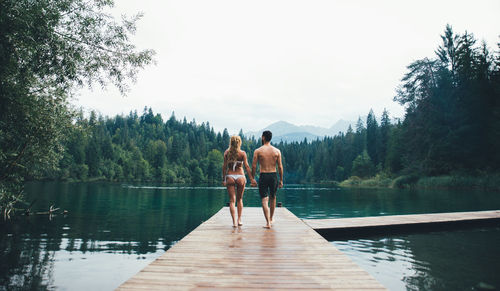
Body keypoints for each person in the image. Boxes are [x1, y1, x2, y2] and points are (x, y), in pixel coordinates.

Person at [251, 130, 284, 228]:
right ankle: (271, 218)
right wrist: (281, 180)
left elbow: (253, 166)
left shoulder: (258, 151)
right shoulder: (277, 151)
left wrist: (253, 179)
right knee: (273, 197)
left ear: (263, 137)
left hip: (263, 175)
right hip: (273, 176)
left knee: (264, 200)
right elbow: (280, 167)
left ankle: (268, 223)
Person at [222, 135, 256, 227]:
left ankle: (234, 222)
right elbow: (247, 167)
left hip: (230, 176)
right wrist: (252, 179)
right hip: (240, 176)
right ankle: (239, 220)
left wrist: (223, 179)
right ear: (239, 143)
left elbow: (224, 167)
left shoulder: (226, 153)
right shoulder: (242, 153)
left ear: (231, 142)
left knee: (232, 201)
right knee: (239, 199)